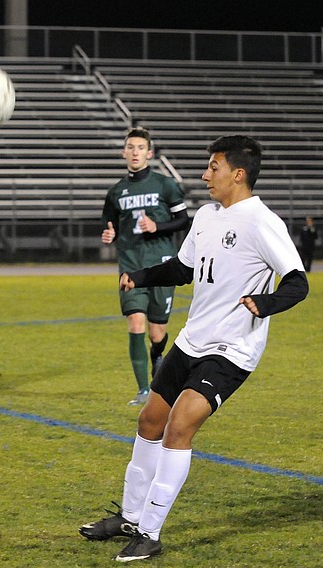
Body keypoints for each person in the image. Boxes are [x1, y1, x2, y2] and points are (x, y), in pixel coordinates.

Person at [79, 135, 308, 562]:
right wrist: (142, 276)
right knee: (150, 419)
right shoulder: (205, 216)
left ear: (238, 174)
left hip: (232, 349)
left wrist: (265, 303)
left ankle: (149, 532)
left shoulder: (262, 222)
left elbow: (297, 280)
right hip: (192, 339)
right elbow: (183, 268)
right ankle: (130, 516)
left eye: (214, 167)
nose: (206, 175)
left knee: (179, 425)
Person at [101, 126, 189, 406]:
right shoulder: (116, 192)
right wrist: (109, 233)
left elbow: (183, 220)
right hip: (130, 265)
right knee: (136, 323)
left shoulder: (166, 185)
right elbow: (110, 223)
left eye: (140, 148)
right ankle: (143, 390)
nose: (135, 152)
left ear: (149, 153)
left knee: (157, 332)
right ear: (123, 152)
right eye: (131, 147)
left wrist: (157, 226)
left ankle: (158, 356)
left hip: (162, 266)